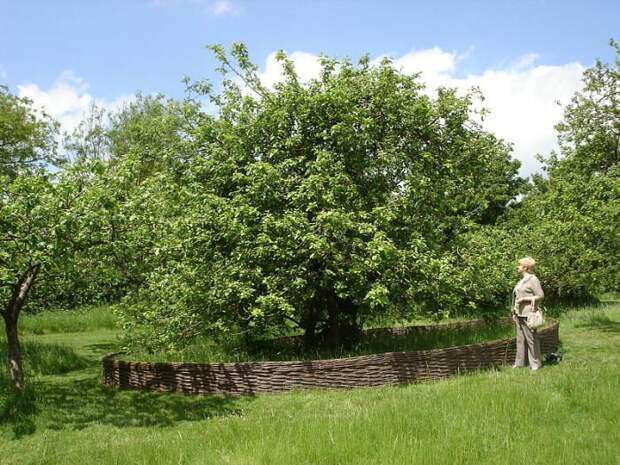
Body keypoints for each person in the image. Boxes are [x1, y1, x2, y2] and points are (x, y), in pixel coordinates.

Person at [511, 257, 544, 370]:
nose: (517, 267)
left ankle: (535, 364)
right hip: (518, 314)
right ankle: (519, 363)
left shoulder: (533, 279)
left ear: (525, 267)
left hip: (529, 314)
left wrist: (525, 299)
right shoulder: (521, 281)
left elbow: (540, 295)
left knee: (531, 339)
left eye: (519, 265)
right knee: (520, 339)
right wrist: (514, 311)